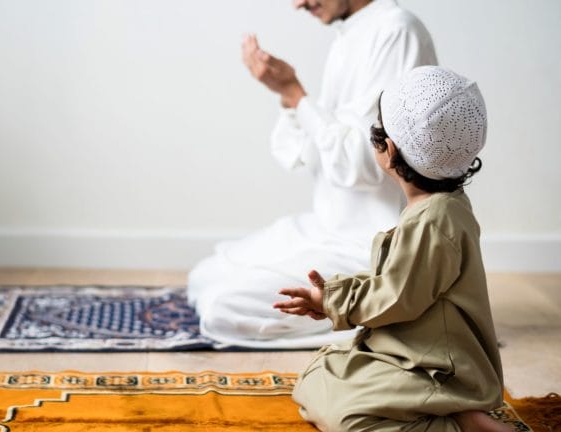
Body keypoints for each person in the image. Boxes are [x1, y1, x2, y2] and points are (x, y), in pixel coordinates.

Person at [187, 0, 437, 348]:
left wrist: (296, 94)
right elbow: (313, 150)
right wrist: (290, 99)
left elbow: (367, 165)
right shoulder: (349, 35)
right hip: (326, 228)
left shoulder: (396, 31)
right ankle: (353, 309)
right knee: (204, 277)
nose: (299, 4)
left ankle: (383, 312)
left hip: (370, 247)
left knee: (223, 307)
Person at [274, 66, 510, 431]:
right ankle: (455, 411)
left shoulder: (432, 221)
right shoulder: (443, 205)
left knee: (349, 417)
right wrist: (335, 294)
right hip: (411, 351)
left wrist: (332, 302)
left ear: (389, 150)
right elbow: (400, 280)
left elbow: (397, 296)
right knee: (321, 373)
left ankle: (460, 422)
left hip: (439, 368)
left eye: (376, 133)